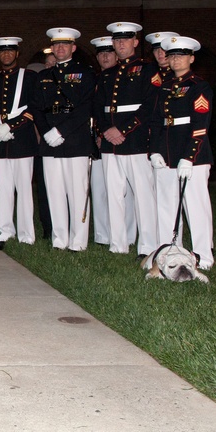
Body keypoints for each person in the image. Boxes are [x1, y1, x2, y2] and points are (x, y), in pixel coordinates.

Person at [94, 22, 159, 257]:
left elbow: (150, 105)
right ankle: (118, 244)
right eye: (117, 40)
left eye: (125, 40)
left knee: (143, 196)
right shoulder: (107, 74)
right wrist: (105, 131)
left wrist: (122, 130)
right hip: (111, 145)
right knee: (113, 195)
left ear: (135, 42)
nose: (120, 44)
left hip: (136, 142)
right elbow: (98, 108)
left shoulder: (148, 70)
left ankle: (148, 245)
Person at [149, 36, 214, 270]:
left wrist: (189, 157)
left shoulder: (199, 86)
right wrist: (154, 151)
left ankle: (203, 256)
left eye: (181, 55)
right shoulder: (165, 86)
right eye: (172, 55)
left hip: (191, 157)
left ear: (192, 58)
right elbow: (156, 122)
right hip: (166, 154)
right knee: (166, 205)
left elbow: (200, 125)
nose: (175, 59)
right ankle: (169, 251)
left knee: (196, 207)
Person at [31, 27, 96, 252]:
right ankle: (59, 240)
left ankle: (78, 242)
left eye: (65, 45)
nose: (60, 48)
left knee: (78, 193)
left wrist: (61, 131)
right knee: (55, 193)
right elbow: (36, 108)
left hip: (75, 139)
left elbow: (86, 106)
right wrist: (47, 131)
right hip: (49, 142)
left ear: (73, 48)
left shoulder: (85, 73)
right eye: (56, 45)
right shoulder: (43, 76)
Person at [0, 37, 38, 250]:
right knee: (4, 189)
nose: (6, 55)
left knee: (24, 190)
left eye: (10, 51)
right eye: (2, 51)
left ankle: (26, 236)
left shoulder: (30, 77)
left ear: (17, 54)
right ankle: (5, 232)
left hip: (22, 142)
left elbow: (33, 107)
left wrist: (11, 126)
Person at [88, 35, 137, 248]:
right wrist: (102, 132)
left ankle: (129, 235)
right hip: (101, 141)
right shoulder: (98, 78)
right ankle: (103, 235)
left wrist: (115, 131)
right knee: (100, 190)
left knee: (128, 193)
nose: (105, 56)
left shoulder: (129, 74)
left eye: (109, 52)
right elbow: (96, 110)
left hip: (127, 140)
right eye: (101, 53)